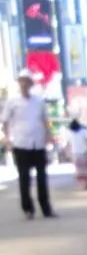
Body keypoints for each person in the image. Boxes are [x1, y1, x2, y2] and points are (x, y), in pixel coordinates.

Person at [1, 69, 57, 219]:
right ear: (19, 83)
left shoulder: (38, 101)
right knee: (24, 178)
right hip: (21, 144)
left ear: (31, 84)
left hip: (38, 143)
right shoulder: (12, 102)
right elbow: (5, 121)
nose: (24, 84)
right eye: (22, 81)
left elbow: (45, 120)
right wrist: (7, 138)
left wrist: (49, 136)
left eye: (27, 81)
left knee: (41, 177)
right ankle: (27, 208)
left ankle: (46, 208)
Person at [68, 118, 87, 189]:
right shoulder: (84, 131)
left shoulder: (70, 133)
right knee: (86, 168)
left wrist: (69, 154)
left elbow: (69, 144)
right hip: (85, 152)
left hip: (75, 153)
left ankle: (82, 185)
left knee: (79, 170)